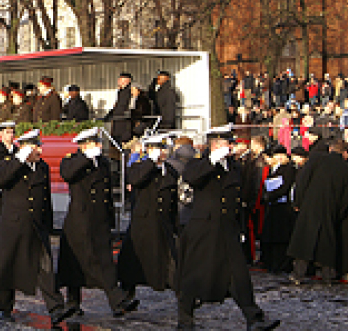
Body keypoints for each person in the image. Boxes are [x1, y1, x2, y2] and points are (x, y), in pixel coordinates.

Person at [176, 127, 279, 331]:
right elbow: (191, 178)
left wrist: (240, 228)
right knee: (193, 275)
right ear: (215, 145)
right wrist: (211, 161)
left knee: (239, 274)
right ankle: (185, 319)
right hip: (203, 229)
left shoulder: (233, 167)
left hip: (227, 229)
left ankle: (254, 318)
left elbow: (238, 198)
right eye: (227, 143)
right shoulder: (199, 164)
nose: (231, 147)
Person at [0, 129, 77, 326]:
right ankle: (4, 307)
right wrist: (18, 160)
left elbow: (45, 199)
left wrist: (48, 224)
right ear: (26, 148)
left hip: (36, 226)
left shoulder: (42, 167)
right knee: (7, 267)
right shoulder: (9, 164)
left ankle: (56, 309)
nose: (40, 150)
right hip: (13, 226)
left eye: (39, 146)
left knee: (45, 269)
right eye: (36, 147)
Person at [59, 127, 139, 317]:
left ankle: (116, 302)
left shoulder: (103, 162)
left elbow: (107, 193)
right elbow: (67, 174)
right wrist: (86, 158)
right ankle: (73, 301)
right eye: (95, 143)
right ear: (85, 145)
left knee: (105, 262)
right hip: (80, 220)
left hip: (100, 220)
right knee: (76, 263)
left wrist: (111, 218)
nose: (99, 146)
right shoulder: (72, 160)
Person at [287, 140, 348, 285]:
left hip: (310, 204)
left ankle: (298, 274)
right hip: (331, 208)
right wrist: (340, 213)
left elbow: (302, 181)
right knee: (327, 243)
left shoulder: (316, 160)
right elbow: (347, 196)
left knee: (304, 241)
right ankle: (327, 276)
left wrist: (298, 202)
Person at [119, 135, 178, 293]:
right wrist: (150, 161)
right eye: (160, 148)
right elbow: (135, 179)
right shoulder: (139, 167)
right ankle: (126, 293)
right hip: (143, 223)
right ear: (150, 150)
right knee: (133, 263)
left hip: (163, 223)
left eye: (165, 148)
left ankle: (184, 298)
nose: (164, 152)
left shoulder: (170, 171)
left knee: (172, 263)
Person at [260, 145, 296, 274]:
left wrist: (272, 195)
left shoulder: (288, 169)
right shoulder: (273, 169)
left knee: (281, 237)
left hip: (282, 207)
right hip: (273, 206)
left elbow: (285, 186)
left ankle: (281, 264)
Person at [103, 73, 134, 144]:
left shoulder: (129, 91)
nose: (118, 82)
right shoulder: (120, 92)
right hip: (117, 119)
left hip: (124, 121)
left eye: (120, 80)